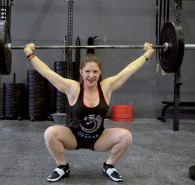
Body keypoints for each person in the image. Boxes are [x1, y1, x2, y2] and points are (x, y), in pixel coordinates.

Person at [23, 42, 154, 182]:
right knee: (50, 133)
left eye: (95, 72)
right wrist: (30, 54)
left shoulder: (106, 87)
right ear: (81, 72)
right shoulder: (73, 88)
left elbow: (129, 70)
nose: (91, 75)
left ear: (100, 72)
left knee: (126, 136)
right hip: (73, 137)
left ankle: (109, 166)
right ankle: (62, 166)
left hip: (98, 139)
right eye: (87, 71)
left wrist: (148, 53)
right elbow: (47, 73)